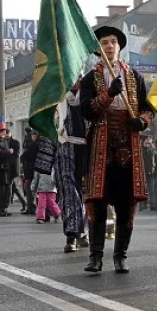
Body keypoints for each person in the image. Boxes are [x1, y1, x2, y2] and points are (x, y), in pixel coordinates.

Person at [80, 25, 154, 274]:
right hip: (101, 146)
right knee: (97, 202)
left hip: (128, 147)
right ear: (98, 49)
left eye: (113, 42)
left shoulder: (135, 76)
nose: (109, 46)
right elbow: (86, 111)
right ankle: (95, 257)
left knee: (126, 203)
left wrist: (142, 121)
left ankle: (120, 256)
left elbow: (147, 109)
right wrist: (108, 95)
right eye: (104, 43)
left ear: (120, 46)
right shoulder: (90, 79)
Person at [56, 81, 89, 252]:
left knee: (88, 194)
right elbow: (49, 129)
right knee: (70, 194)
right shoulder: (59, 100)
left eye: (79, 77)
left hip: (88, 151)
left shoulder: (89, 97)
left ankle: (84, 233)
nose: (77, 80)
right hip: (66, 150)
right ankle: (71, 236)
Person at [32, 136, 61, 224]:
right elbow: (36, 177)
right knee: (42, 203)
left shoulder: (53, 165)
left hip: (51, 187)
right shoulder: (40, 164)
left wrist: (58, 185)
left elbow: (56, 176)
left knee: (50, 203)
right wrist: (33, 187)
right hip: (43, 188)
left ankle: (56, 213)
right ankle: (40, 217)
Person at [6, 129, 26, 210]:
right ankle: (24, 203)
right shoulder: (4, 142)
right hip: (8, 168)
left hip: (12, 168)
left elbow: (15, 156)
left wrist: (7, 153)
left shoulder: (15, 142)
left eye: (7, 134)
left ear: (10, 134)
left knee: (10, 186)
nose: (6, 136)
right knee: (14, 187)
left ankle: (7, 206)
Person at [20, 129, 39, 215]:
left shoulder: (34, 145)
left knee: (29, 188)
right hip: (35, 170)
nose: (32, 136)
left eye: (33, 135)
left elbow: (24, 156)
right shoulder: (39, 144)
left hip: (30, 170)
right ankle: (33, 207)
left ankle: (30, 207)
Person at [143, 137, 157, 211]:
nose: (148, 144)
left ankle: (153, 206)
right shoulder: (142, 150)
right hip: (143, 172)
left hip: (152, 172)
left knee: (152, 190)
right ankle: (143, 205)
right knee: (143, 190)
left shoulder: (154, 151)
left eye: (149, 143)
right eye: (147, 143)